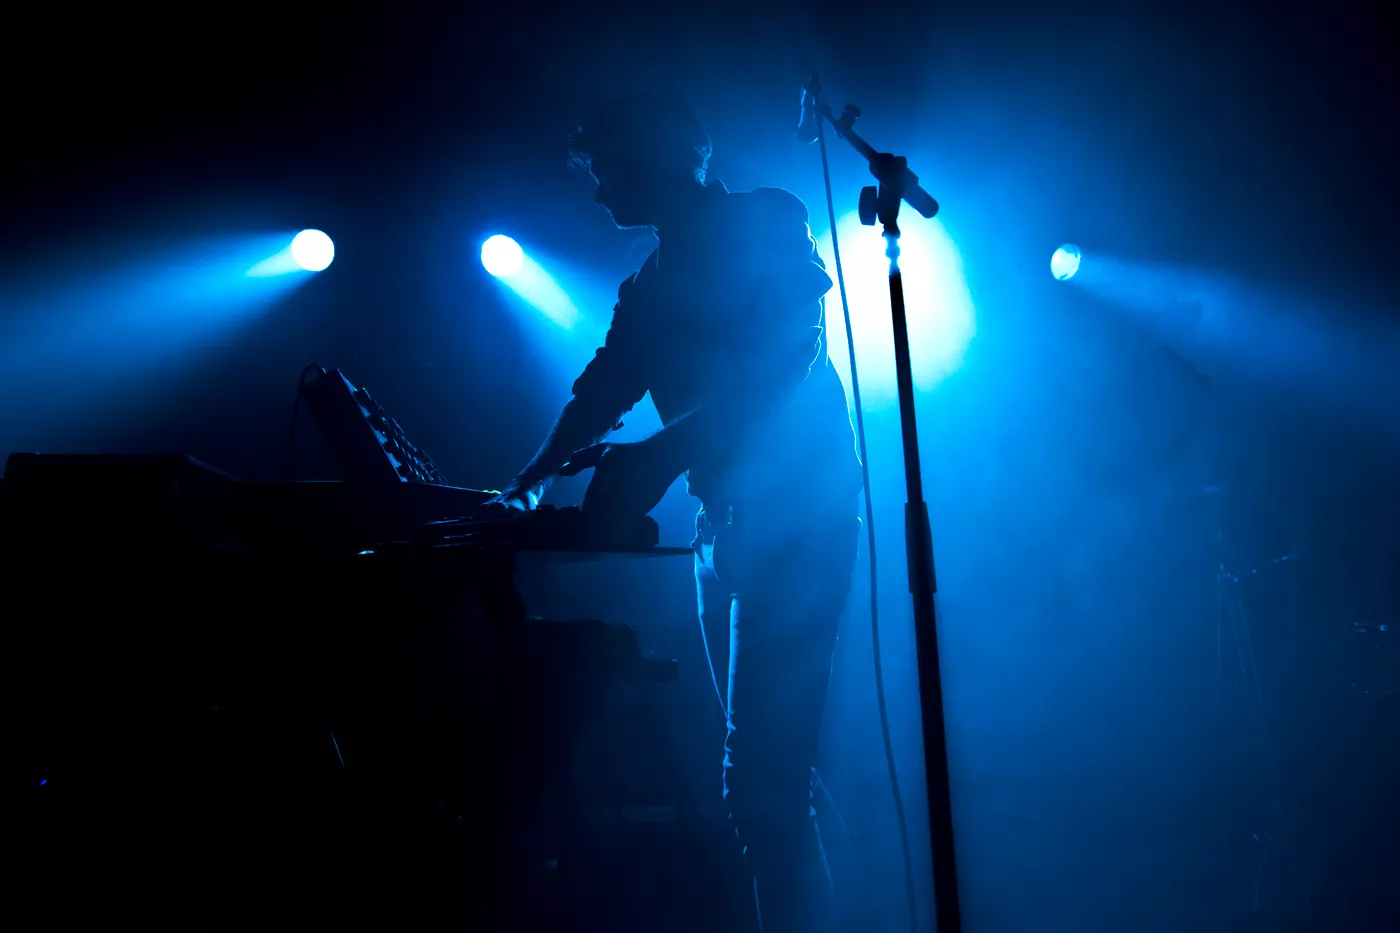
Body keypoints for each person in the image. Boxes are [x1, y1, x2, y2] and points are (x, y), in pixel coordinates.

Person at [480, 91, 864, 933]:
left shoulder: (767, 218)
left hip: (800, 523)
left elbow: (790, 351)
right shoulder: (646, 284)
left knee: (760, 785)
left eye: (606, 169)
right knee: (769, 782)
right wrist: (531, 480)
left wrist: (660, 454)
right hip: (723, 530)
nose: (596, 190)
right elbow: (604, 387)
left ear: (657, 155)